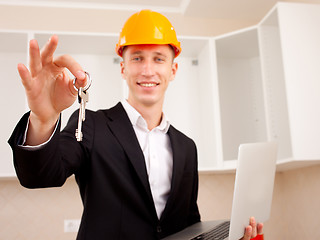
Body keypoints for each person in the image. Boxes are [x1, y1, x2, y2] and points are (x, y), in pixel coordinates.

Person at [8, 9, 264, 240]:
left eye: (159, 59)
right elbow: (39, 176)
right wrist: (43, 118)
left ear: (173, 70)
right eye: (138, 58)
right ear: (123, 68)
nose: (148, 70)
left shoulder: (187, 147)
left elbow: (189, 224)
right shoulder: (91, 125)